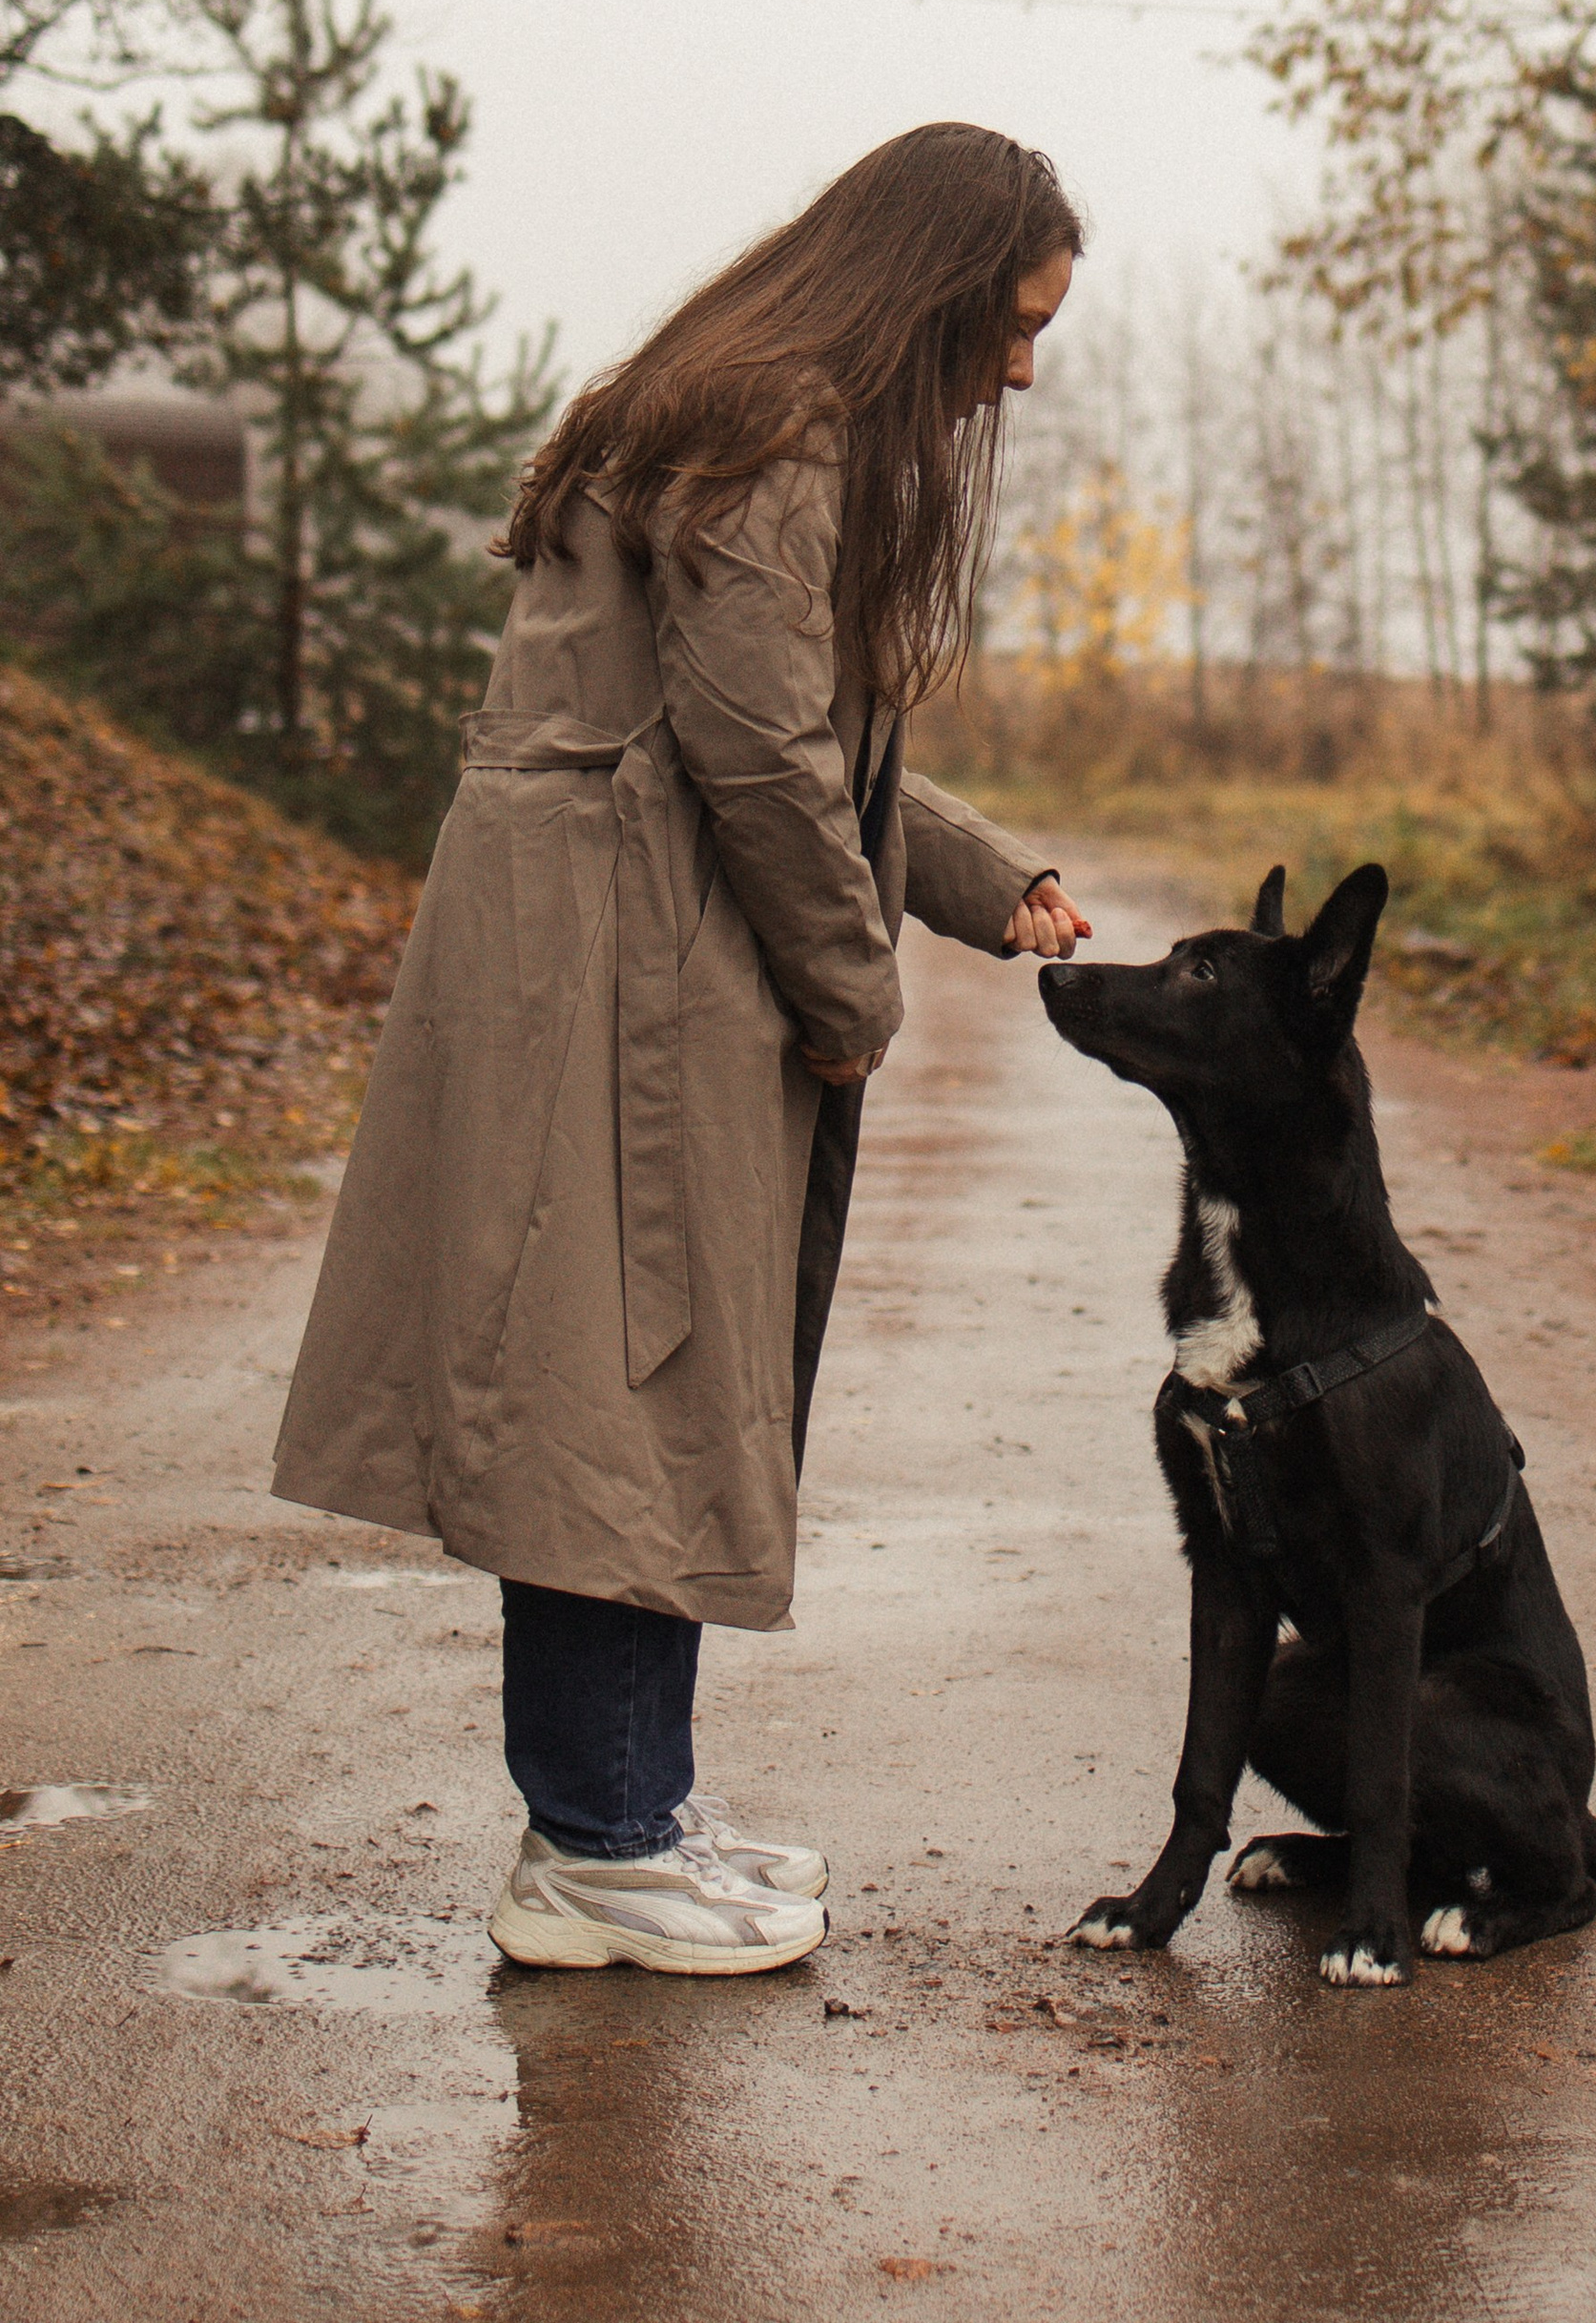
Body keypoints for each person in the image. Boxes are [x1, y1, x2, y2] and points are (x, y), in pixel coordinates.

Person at [272, 123, 1090, 1975]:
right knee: (615, 1392)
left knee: (635, 1383)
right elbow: (753, 750)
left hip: (621, 938)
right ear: (934, 287)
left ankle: (626, 1802)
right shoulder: (778, 430)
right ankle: (595, 1840)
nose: (1020, 370)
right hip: (621, 965)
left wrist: (977, 876)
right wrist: (852, 995)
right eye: (1013, 324)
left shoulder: (738, 407)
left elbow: (790, 717)